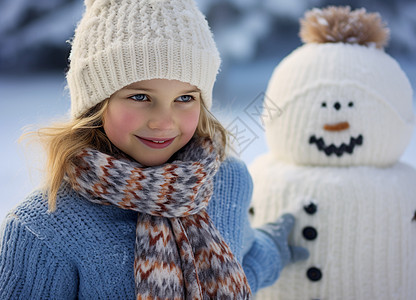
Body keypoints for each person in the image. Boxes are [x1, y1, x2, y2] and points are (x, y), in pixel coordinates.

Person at [0, 0, 308, 299]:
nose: (164, 122)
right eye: (140, 97)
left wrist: (271, 251)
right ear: (96, 103)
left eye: (185, 98)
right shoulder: (43, 229)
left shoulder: (226, 181)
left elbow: (230, 271)